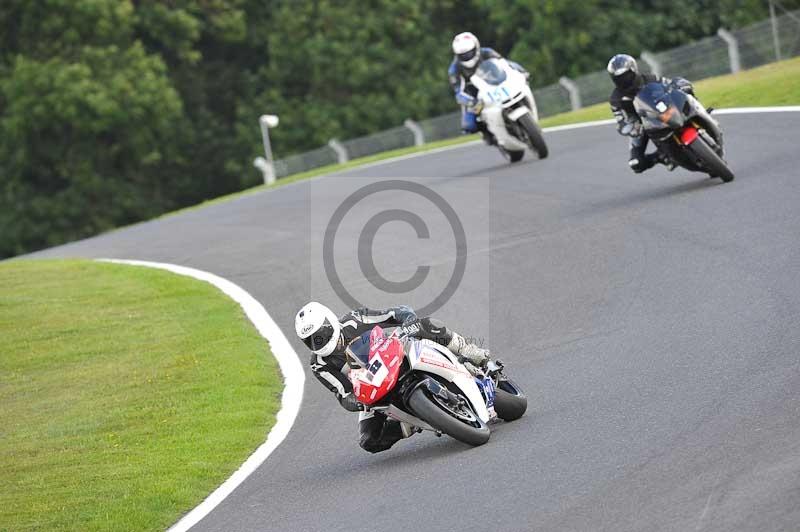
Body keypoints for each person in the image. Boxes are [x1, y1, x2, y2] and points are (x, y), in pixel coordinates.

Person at [295, 302, 491, 453]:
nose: (318, 341)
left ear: (330, 321)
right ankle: (412, 422)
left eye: (320, 334)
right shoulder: (319, 364)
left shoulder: (354, 319)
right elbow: (342, 393)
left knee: (426, 324)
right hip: (373, 390)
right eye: (310, 340)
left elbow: (395, 313)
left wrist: (407, 323)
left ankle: (468, 351)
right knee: (370, 440)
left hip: (394, 355)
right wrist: (359, 402)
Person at [607, 53, 695, 173]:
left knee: (687, 93)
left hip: (664, 109)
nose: (624, 80)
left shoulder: (649, 79)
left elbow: (668, 84)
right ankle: (661, 156)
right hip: (643, 125)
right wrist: (630, 127)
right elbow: (621, 119)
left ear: (633, 70)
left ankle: (699, 113)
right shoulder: (616, 99)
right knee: (636, 163)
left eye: (626, 76)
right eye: (619, 78)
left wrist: (679, 86)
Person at [449, 31, 529, 145]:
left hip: (495, 83)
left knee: (523, 80)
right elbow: (458, 93)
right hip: (475, 95)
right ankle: (489, 135)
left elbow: (505, 64)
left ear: (476, 47)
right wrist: (472, 101)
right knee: (469, 126)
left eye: (469, 53)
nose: (467, 57)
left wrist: (521, 72)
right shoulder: (454, 69)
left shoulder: (487, 52)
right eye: (463, 55)